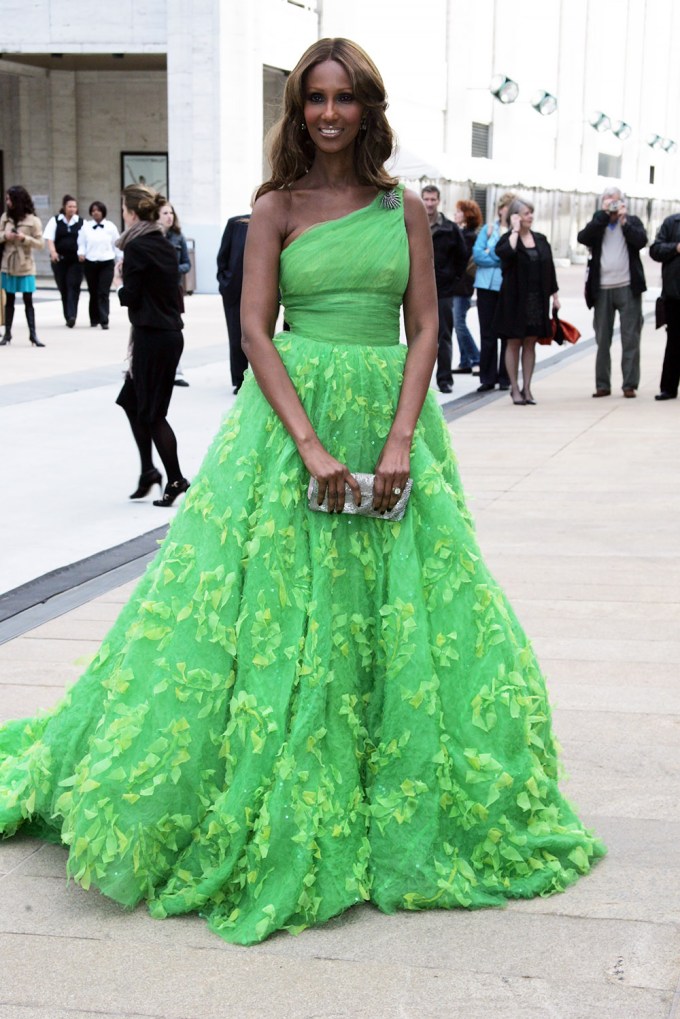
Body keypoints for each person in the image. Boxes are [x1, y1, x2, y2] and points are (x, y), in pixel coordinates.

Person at [0, 38, 603, 947]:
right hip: (287, 430)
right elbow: (255, 328)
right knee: (271, 614)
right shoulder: (275, 206)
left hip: (391, 418)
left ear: (368, 107)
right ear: (298, 111)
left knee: (400, 616)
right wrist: (312, 446)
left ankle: (377, 779)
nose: (327, 112)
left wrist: (401, 436)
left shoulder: (402, 208)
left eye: (344, 97)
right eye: (314, 98)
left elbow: (428, 323)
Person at [113, 184, 189, 507]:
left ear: (131, 213)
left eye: (123, 209)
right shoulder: (162, 243)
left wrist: (119, 281)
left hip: (152, 337)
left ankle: (175, 478)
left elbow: (130, 297)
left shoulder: (136, 248)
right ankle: (148, 472)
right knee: (131, 401)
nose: (122, 214)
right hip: (166, 335)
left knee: (154, 414)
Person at [577, 187, 647, 398]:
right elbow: (583, 237)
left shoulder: (632, 221)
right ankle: (602, 384)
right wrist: (603, 216)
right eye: (609, 201)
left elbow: (642, 241)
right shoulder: (598, 223)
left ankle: (629, 384)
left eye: (616, 202)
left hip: (628, 285)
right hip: (602, 288)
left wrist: (624, 221)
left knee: (630, 337)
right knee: (602, 339)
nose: (613, 206)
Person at [494, 198, 560, 405]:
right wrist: (514, 230)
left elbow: (550, 268)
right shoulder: (508, 239)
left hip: (536, 299)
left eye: (531, 213)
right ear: (515, 216)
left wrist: (555, 295)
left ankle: (527, 387)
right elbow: (505, 254)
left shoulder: (540, 239)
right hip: (514, 300)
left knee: (530, 342)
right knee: (513, 342)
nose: (530, 217)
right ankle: (514, 388)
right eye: (525, 213)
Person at [421, 183, 467, 392]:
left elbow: (463, 257)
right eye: (426, 199)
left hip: (443, 290)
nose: (429, 204)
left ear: (439, 201)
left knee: (444, 336)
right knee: (418, 337)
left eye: (433, 199)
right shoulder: (413, 224)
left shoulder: (450, 228)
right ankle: (419, 383)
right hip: (417, 289)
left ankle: (444, 379)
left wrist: (453, 280)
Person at [472, 191, 515, 392]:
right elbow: (478, 255)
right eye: (507, 207)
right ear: (500, 210)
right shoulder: (489, 230)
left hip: (506, 287)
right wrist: (499, 257)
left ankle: (505, 377)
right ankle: (487, 378)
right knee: (487, 333)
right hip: (485, 287)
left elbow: (512, 257)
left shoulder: (515, 232)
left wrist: (494, 254)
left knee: (506, 333)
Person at [0, 185, 45, 346]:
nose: (7, 202)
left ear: (17, 200)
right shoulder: (5, 217)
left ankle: (33, 335)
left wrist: (24, 238)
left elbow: (41, 244)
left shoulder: (33, 220)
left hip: (25, 264)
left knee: (28, 301)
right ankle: (7, 335)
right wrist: (5, 235)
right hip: (8, 264)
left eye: (9, 199)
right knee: (9, 300)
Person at [217, 211, 251, 393]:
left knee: (260, 336)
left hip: (263, 290)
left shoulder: (275, 220)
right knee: (236, 336)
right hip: (234, 290)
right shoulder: (236, 223)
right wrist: (225, 283)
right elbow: (223, 257)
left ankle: (259, 379)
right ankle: (240, 380)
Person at [158, 201, 191, 388]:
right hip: (155, 291)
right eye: (165, 213)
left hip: (173, 289)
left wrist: (172, 269)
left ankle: (176, 371)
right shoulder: (152, 237)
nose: (169, 216)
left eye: (171, 212)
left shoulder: (178, 237)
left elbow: (187, 264)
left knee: (174, 330)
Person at [648, 212, 680, 400]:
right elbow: (655, 250)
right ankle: (668, 387)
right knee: (674, 342)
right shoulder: (672, 222)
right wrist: (676, 247)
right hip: (675, 294)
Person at [77, 201, 119, 330]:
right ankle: (94, 318)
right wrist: (81, 253)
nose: (96, 212)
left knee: (103, 292)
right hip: (90, 262)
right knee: (93, 291)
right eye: (93, 210)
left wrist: (120, 260)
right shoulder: (86, 227)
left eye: (98, 210)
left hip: (106, 262)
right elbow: (81, 243)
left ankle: (104, 319)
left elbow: (116, 244)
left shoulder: (110, 226)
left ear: (103, 212)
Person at [43, 194, 84, 327]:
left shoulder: (81, 222)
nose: (72, 209)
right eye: (69, 206)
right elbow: (49, 238)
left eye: (74, 206)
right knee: (63, 288)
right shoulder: (55, 220)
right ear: (64, 207)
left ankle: (72, 315)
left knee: (73, 286)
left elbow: (86, 239)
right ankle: (67, 315)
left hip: (76, 260)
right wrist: (53, 252)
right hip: (59, 260)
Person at [451, 198, 482, 373]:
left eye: (459, 211)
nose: (455, 214)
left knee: (459, 323)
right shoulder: (465, 233)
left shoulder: (468, 236)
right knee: (458, 322)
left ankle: (476, 357)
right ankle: (465, 361)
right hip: (461, 285)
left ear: (466, 215)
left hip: (462, 286)